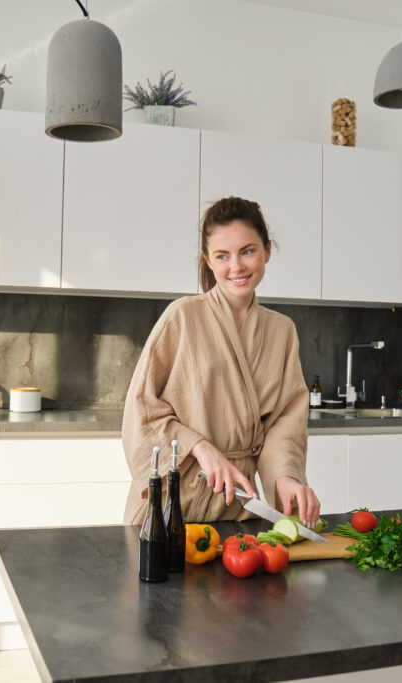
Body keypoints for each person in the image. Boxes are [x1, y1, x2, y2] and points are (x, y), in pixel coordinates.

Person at [121, 196, 320, 527]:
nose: (237, 266)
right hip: (168, 507)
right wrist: (199, 447)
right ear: (208, 261)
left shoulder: (282, 331)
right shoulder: (182, 317)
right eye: (222, 256)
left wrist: (284, 477)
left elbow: (284, 425)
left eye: (248, 251)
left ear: (267, 251)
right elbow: (142, 409)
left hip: (237, 510)